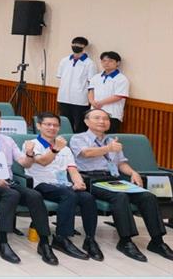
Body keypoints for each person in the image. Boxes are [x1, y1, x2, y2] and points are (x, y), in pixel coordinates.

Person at [70, 108, 172, 261]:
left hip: (113, 179)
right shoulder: (78, 138)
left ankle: (157, 241)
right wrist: (108, 148)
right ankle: (125, 241)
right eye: (97, 118)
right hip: (91, 180)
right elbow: (86, 153)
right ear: (86, 121)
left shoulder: (112, 141)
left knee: (147, 196)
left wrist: (133, 173)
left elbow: (121, 163)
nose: (102, 121)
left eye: (105, 119)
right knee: (120, 196)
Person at [0, 106, 57, 265]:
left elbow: (25, 163)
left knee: (35, 195)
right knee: (11, 194)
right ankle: (1, 242)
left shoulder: (8, 140)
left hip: (7, 182)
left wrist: (29, 154)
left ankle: (44, 242)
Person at [24, 113, 100, 261]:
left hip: (63, 185)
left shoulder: (65, 148)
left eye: (55, 125)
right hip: (41, 184)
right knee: (68, 194)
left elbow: (72, 169)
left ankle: (90, 239)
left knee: (87, 197)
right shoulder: (32, 144)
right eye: (48, 124)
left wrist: (78, 182)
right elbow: (43, 161)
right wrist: (55, 149)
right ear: (39, 126)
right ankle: (61, 238)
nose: (52, 128)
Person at [56, 37, 97, 133]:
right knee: (65, 124)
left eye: (79, 45)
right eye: (74, 44)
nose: (76, 46)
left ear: (84, 46)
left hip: (80, 100)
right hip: (63, 98)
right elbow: (60, 76)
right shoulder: (64, 60)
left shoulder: (90, 63)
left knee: (80, 126)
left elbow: (92, 83)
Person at [86, 52, 129, 134]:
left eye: (110, 61)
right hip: (94, 113)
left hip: (112, 115)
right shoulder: (96, 77)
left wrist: (100, 103)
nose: (106, 63)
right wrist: (92, 102)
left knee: (108, 138)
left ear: (118, 63)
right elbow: (91, 91)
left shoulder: (122, 79)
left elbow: (118, 96)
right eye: (104, 61)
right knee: (93, 137)